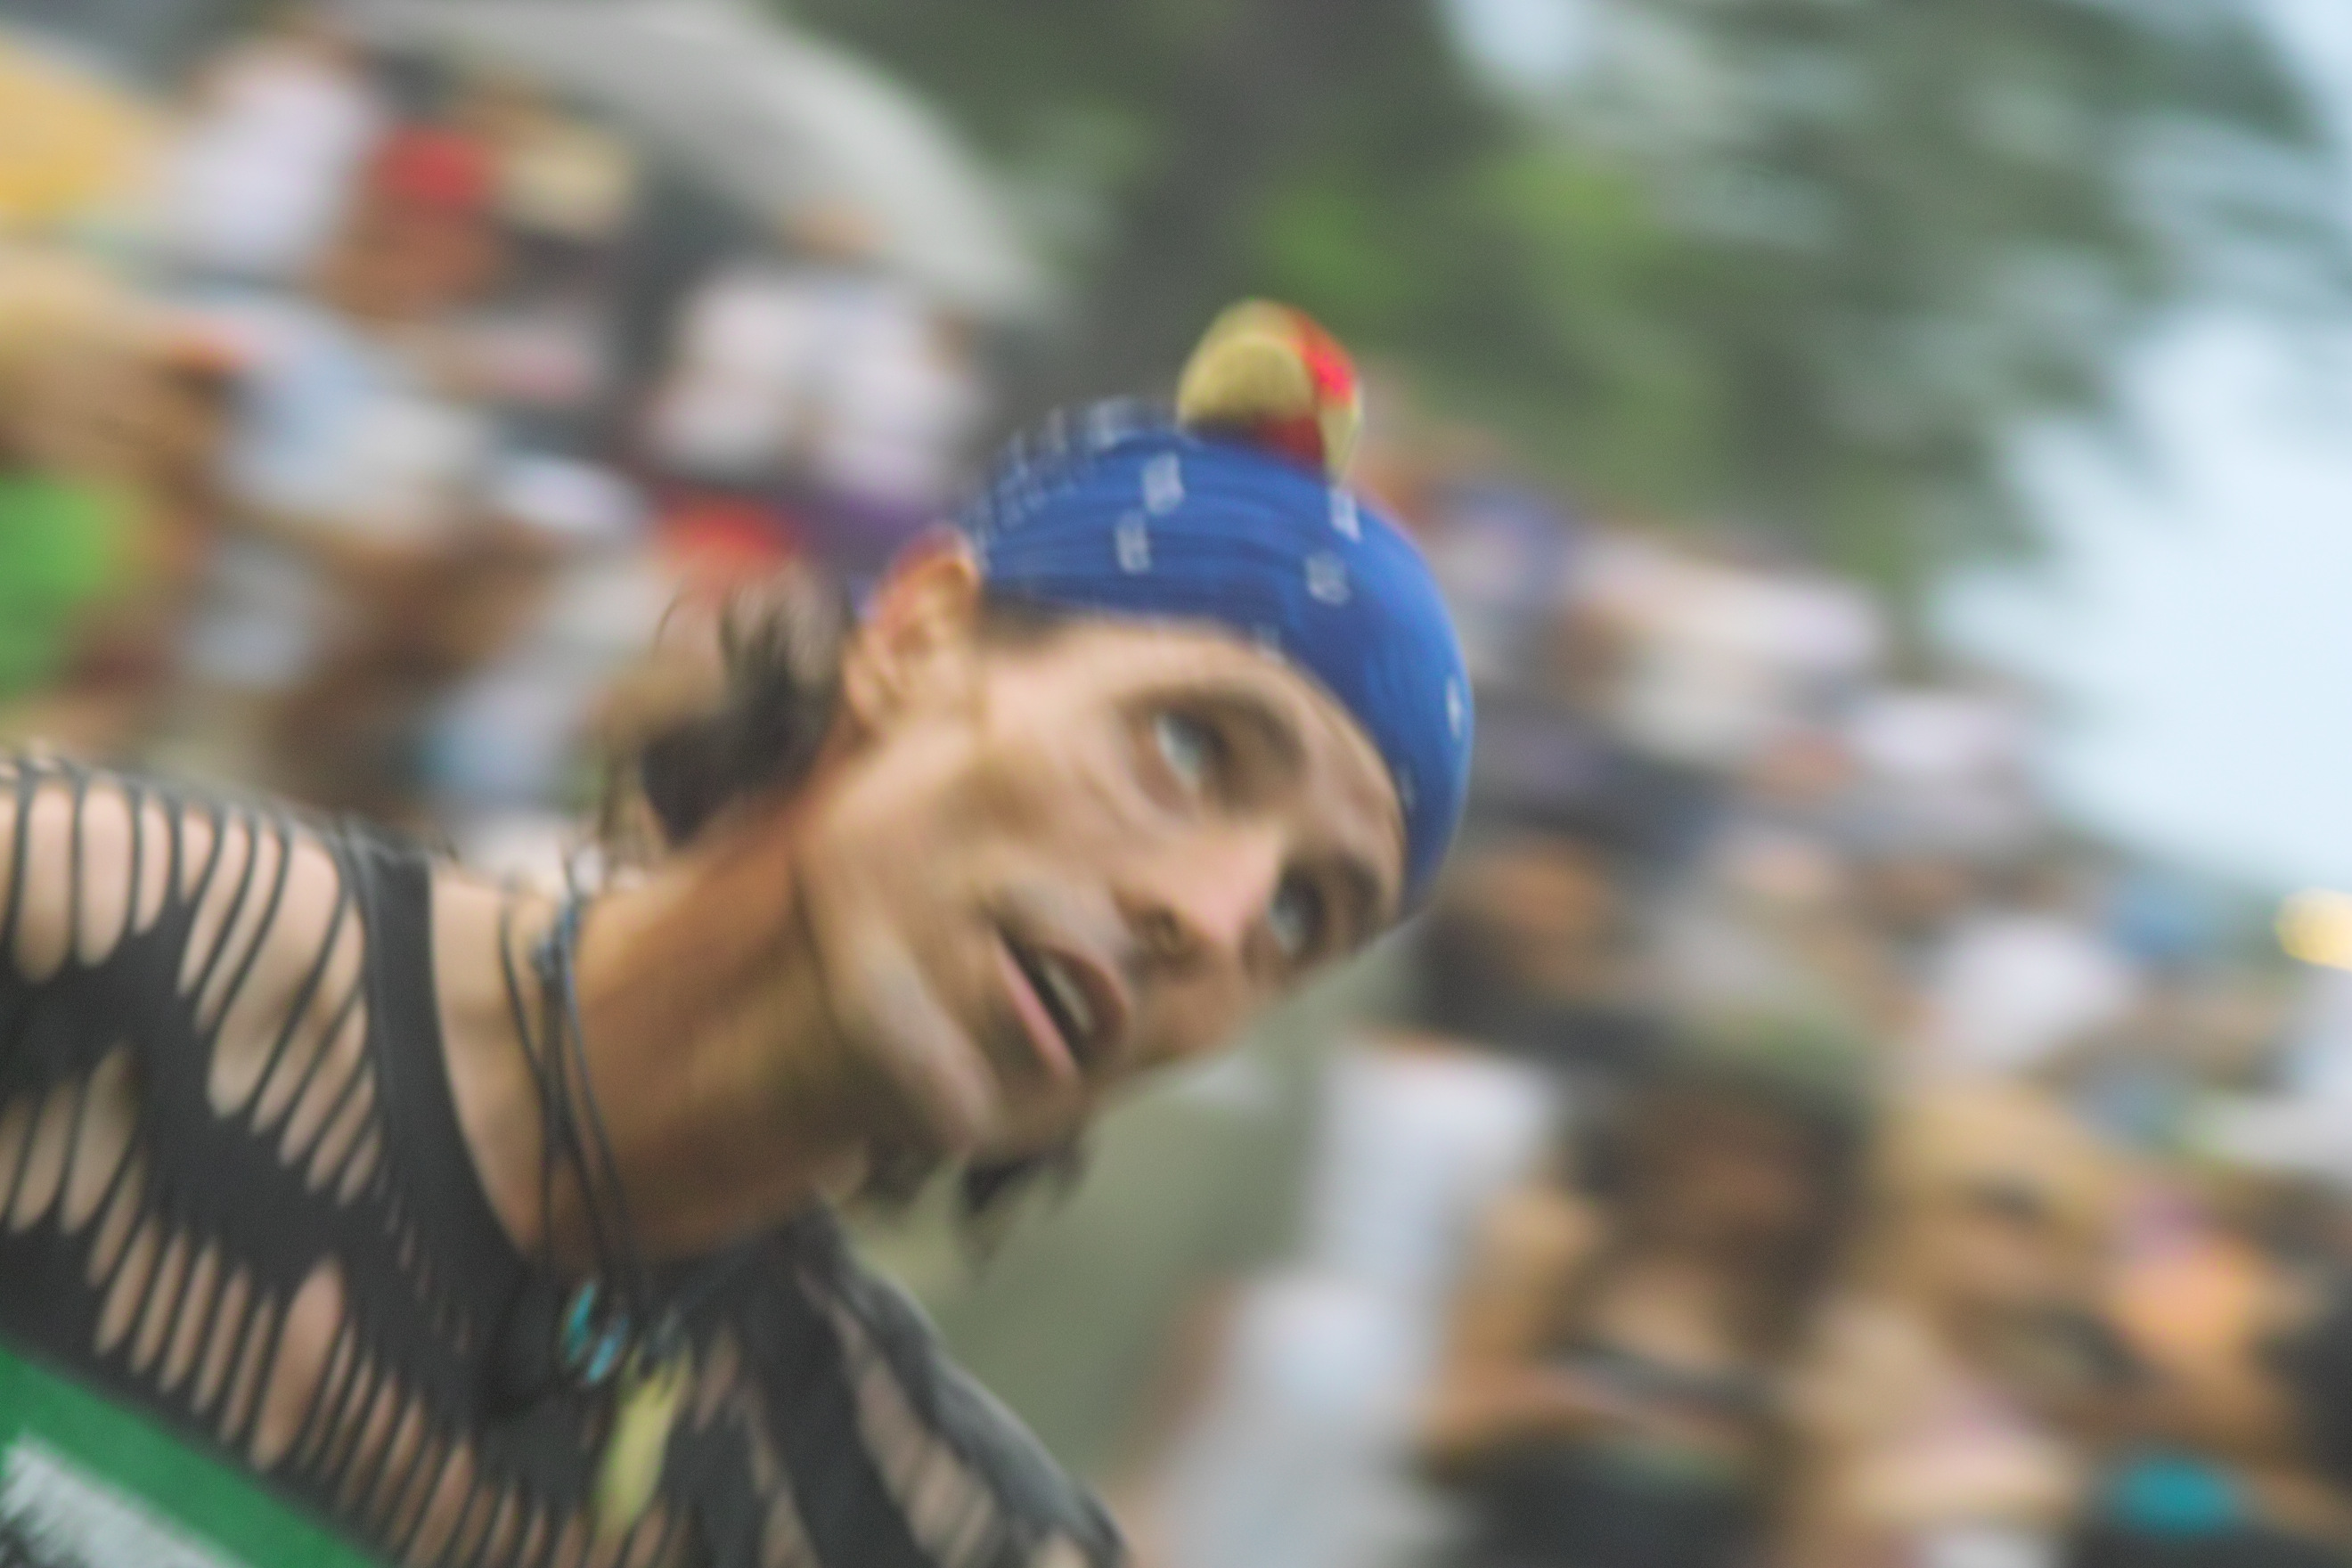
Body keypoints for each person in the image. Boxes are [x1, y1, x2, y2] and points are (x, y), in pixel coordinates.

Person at [0, 301, 1473, 1568]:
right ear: (920, 636)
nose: (1210, 917)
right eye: (1191, 747)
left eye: (1304, 912)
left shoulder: (922, 1533)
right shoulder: (69, 948)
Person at [1417, 1020, 1869, 1568]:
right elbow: (1427, 1438)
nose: (1742, 1185)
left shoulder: (1809, 1335)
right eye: (1725, 1145)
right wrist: (1550, 1411)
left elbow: (1813, 1540)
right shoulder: (1561, 1254)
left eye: (1781, 1162)